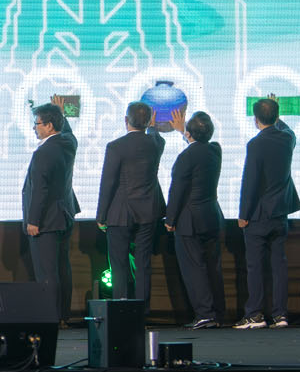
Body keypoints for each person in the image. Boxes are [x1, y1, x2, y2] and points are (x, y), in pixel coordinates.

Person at [235, 97, 300, 330]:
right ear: (276, 117)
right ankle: (280, 315)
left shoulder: (256, 144)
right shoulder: (287, 138)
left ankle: (255, 314)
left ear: (256, 119)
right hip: (280, 213)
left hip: (259, 215)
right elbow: (287, 129)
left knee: (255, 266)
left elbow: (250, 181)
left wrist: (243, 214)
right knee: (278, 265)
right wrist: (278, 117)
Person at [95, 101, 166, 309]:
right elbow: (155, 135)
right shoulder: (156, 144)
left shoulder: (116, 146)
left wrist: (101, 215)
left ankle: (122, 309)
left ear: (126, 120)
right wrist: (152, 127)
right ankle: (142, 311)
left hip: (120, 213)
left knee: (119, 266)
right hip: (148, 212)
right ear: (149, 121)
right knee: (143, 263)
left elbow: (108, 182)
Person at [165, 111, 225, 330]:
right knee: (212, 267)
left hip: (189, 220)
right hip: (211, 217)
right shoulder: (215, 150)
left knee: (194, 269)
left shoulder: (186, 157)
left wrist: (170, 219)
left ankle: (205, 314)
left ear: (190, 134)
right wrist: (185, 131)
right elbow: (199, 147)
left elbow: (177, 191)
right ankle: (217, 313)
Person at [22, 102, 80, 323]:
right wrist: (62, 114)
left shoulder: (44, 152)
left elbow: (40, 189)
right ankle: (63, 315)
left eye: (37, 123)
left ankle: (51, 317)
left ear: (49, 125)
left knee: (47, 272)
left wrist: (33, 220)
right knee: (62, 268)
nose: (34, 128)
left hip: (46, 220)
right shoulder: (68, 143)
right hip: (64, 215)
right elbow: (68, 132)